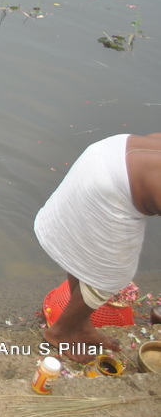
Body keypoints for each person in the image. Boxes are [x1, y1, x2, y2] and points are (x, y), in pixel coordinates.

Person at [34, 133, 160, 362]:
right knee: (109, 277)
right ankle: (59, 333)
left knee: (87, 253)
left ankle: (82, 328)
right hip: (111, 188)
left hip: (104, 154)